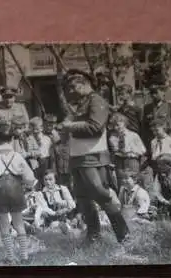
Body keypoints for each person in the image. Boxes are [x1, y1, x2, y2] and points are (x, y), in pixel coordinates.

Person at [58, 69, 129, 246]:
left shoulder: (97, 100)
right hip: (78, 157)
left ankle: (124, 235)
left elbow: (95, 127)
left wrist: (70, 126)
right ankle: (93, 236)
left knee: (100, 194)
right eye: (68, 89)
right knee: (83, 197)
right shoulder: (81, 103)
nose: (70, 92)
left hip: (93, 156)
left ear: (83, 84)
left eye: (73, 88)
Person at [0, 119, 37, 265]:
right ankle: (24, 256)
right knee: (19, 223)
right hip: (16, 190)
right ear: (11, 139)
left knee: (4, 224)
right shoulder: (17, 156)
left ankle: (10, 257)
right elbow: (29, 177)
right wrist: (28, 186)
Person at [141, 83, 171, 155]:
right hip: (153, 140)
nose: (154, 95)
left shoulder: (170, 105)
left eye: (156, 93)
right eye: (152, 93)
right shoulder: (147, 108)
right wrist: (146, 142)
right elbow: (145, 127)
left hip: (167, 138)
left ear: (162, 93)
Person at [108, 113, 147, 189]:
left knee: (134, 183)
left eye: (118, 125)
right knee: (122, 184)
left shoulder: (133, 135)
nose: (116, 127)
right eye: (114, 126)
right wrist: (122, 151)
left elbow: (142, 150)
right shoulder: (112, 137)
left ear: (124, 123)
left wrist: (131, 150)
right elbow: (116, 150)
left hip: (132, 161)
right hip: (120, 162)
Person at [26, 117, 53, 186]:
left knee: (45, 178)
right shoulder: (28, 139)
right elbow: (28, 151)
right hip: (33, 161)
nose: (35, 131)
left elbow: (49, 152)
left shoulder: (47, 139)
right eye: (33, 129)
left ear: (41, 128)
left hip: (45, 160)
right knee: (36, 180)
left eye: (37, 129)